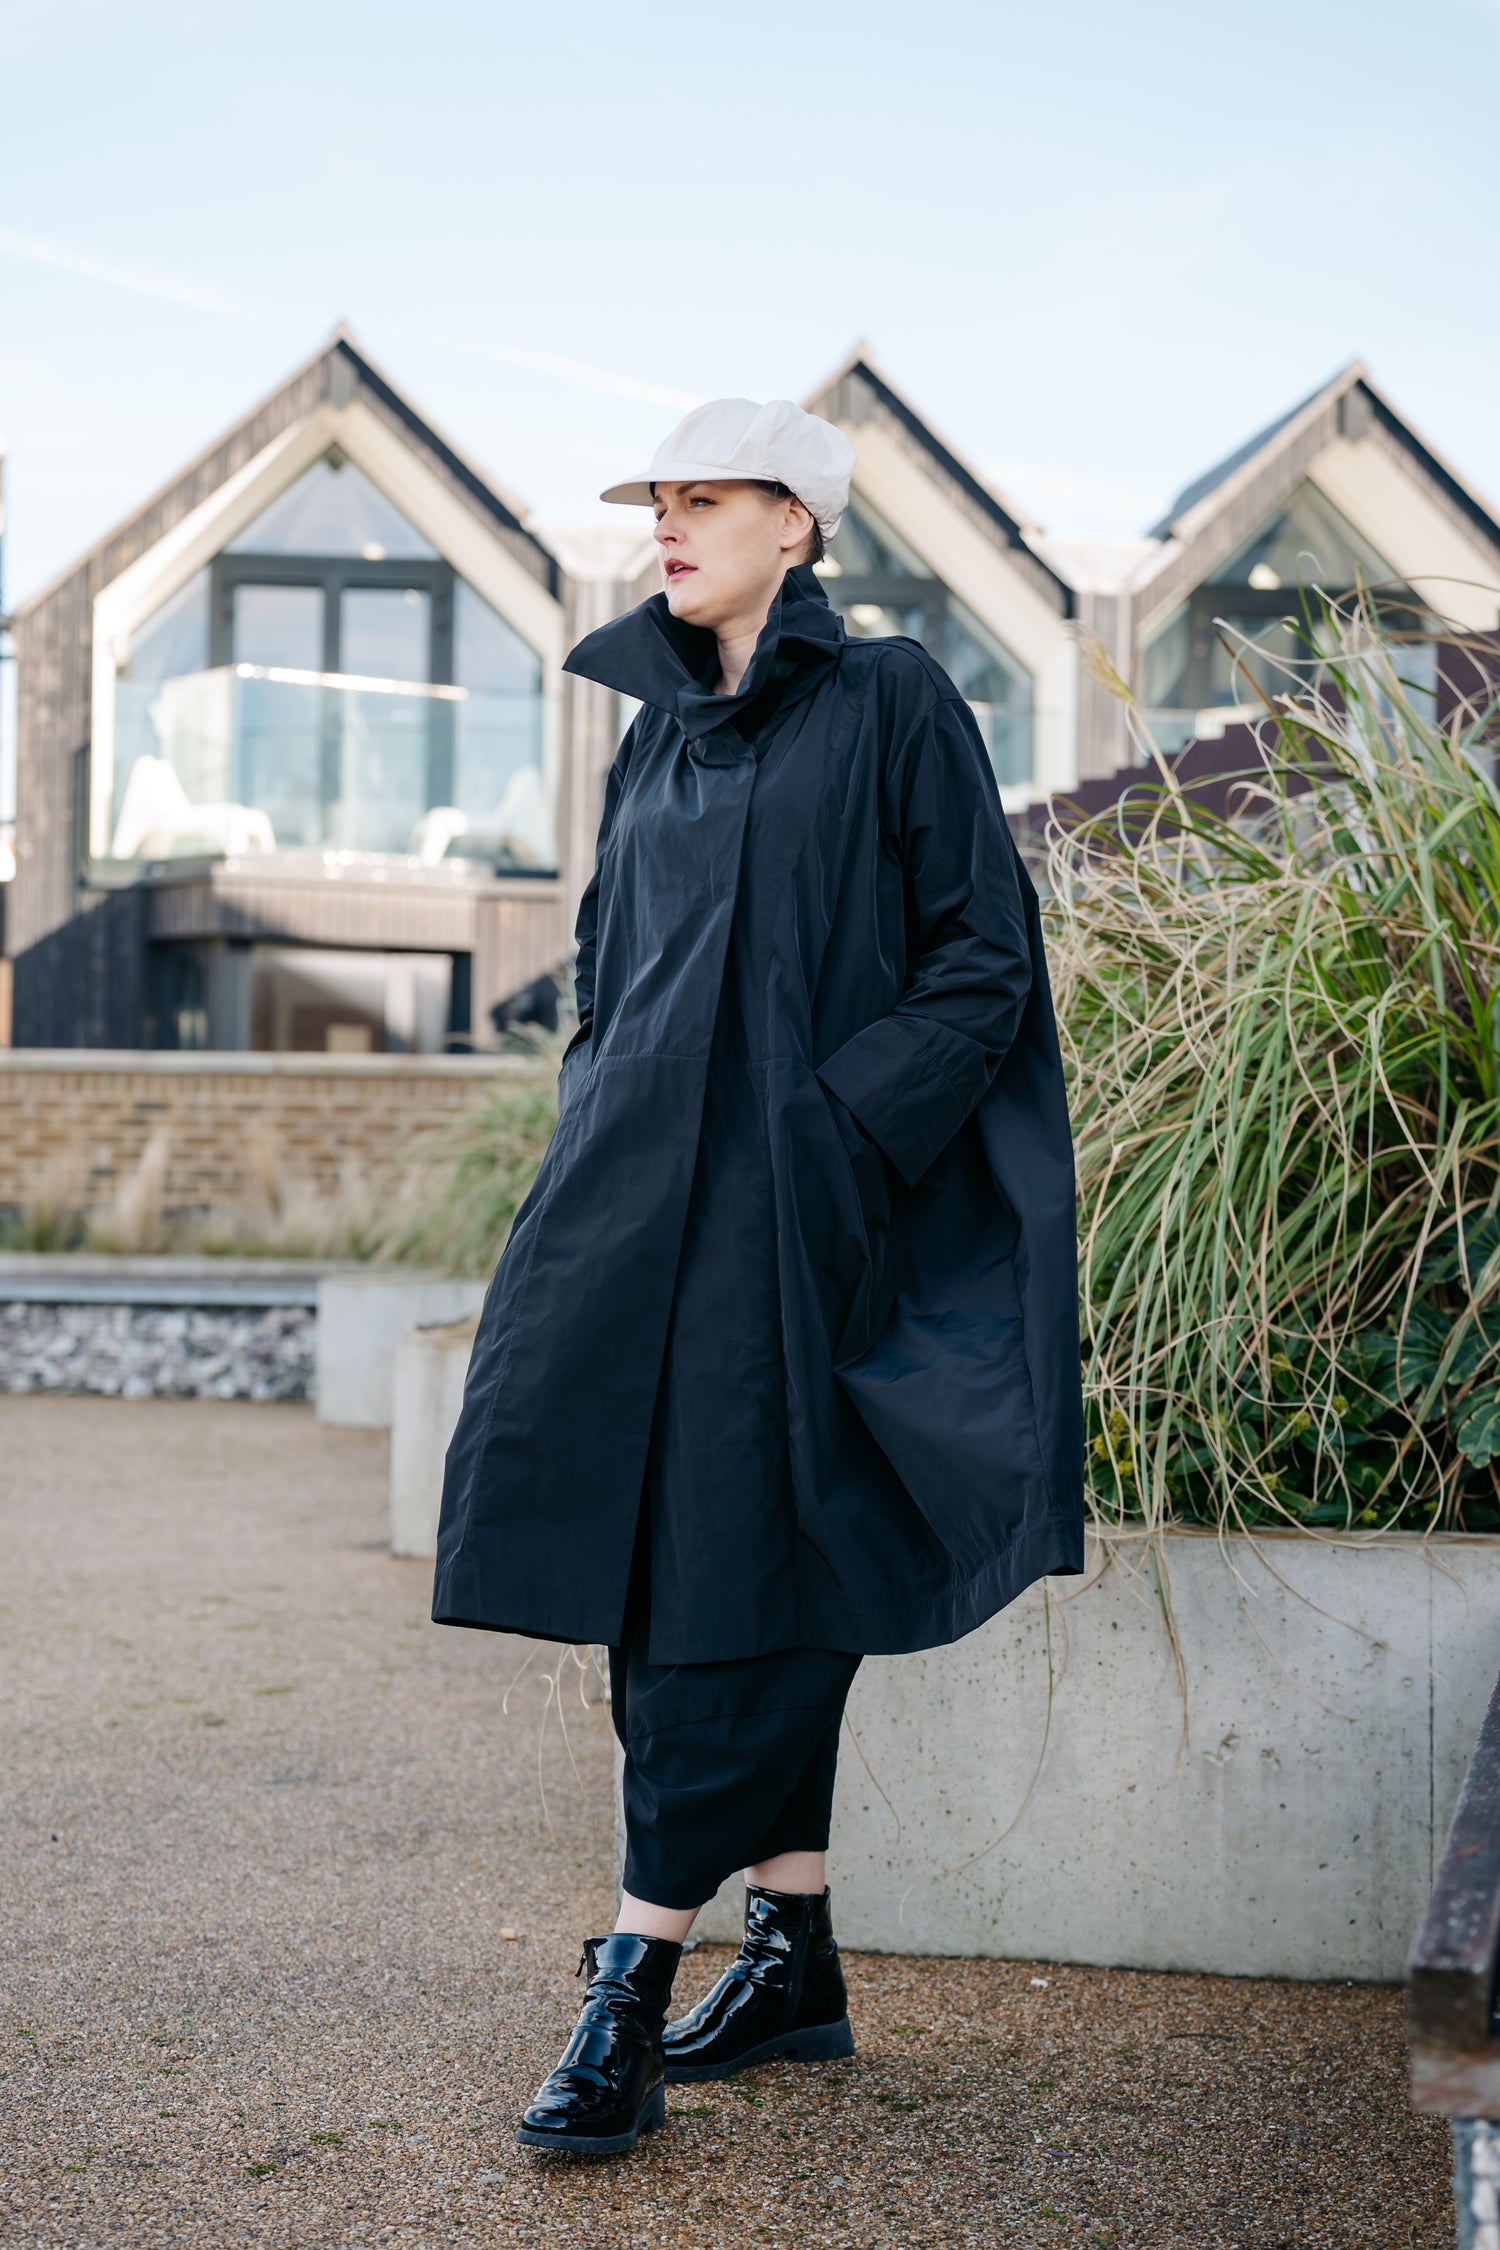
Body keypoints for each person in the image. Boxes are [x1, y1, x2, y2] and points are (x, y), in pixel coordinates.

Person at [431, 395, 1085, 2157]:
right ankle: (792, 1950)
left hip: (798, 1221)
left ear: (796, 522)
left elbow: (984, 960)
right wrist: (596, 1124)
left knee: (732, 1569)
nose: (668, 523)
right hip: (625, 1216)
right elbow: (606, 967)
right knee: (689, 1567)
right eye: (660, 500)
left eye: (704, 497)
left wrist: (839, 1131)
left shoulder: (893, 701)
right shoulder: (651, 735)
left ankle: (633, 1981)